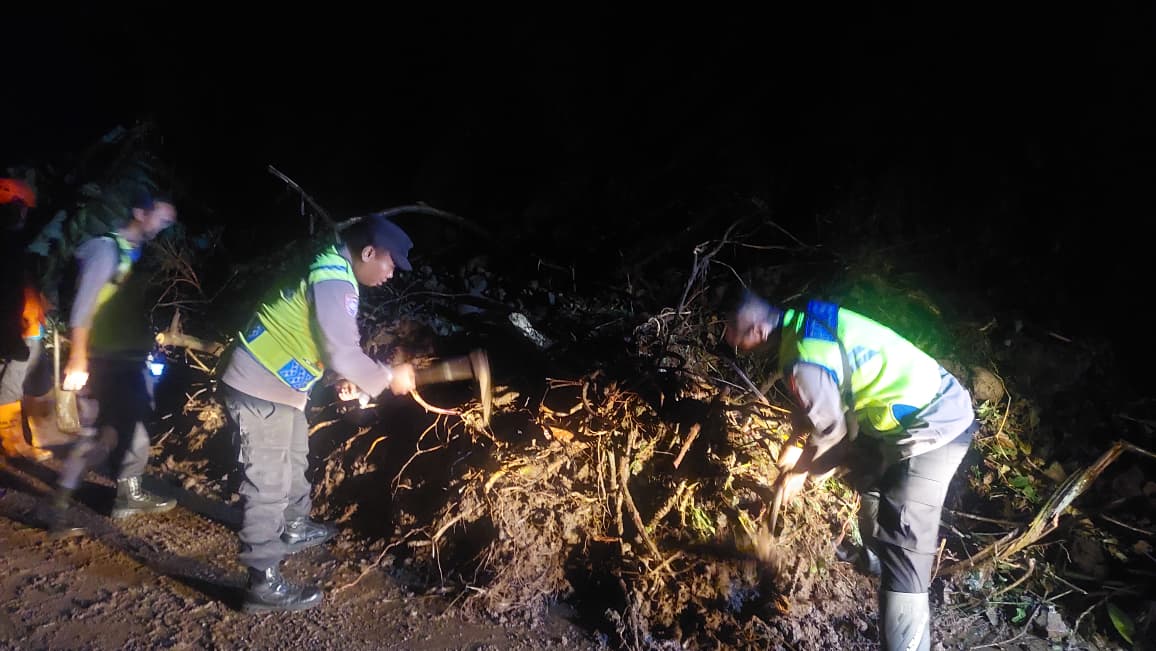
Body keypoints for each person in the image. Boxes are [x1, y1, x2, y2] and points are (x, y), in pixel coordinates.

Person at [725, 290, 977, 651]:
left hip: (935, 423)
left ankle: (907, 637)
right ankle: (877, 562)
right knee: (868, 478)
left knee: (905, 541)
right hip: (918, 408)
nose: (736, 345)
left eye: (737, 337)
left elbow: (834, 431)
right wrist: (796, 441)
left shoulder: (801, 358)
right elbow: (824, 393)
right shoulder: (805, 323)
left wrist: (801, 473)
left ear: (758, 331)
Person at [217, 214, 417, 613]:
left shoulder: (333, 270)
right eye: (391, 263)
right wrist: (386, 376)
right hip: (259, 385)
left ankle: (294, 525)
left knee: (294, 457)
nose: (392, 273)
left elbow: (311, 336)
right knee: (267, 482)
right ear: (368, 252)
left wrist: (341, 379)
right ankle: (262, 581)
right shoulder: (334, 279)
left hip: (281, 386)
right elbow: (341, 350)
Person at [46, 189, 179, 530]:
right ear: (140, 213)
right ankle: (60, 508)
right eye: (162, 219)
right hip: (103, 360)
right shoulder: (106, 250)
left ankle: (77, 503)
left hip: (127, 359)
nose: (165, 228)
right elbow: (83, 307)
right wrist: (78, 358)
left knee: (113, 434)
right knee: (100, 436)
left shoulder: (136, 255)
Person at [0, 177, 52, 461]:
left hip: (27, 322)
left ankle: (31, 436)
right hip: (18, 325)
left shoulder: (16, 244)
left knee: (22, 377)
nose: (24, 215)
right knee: (12, 379)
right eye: (21, 209)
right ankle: (13, 442)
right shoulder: (10, 243)